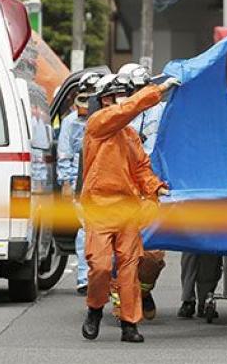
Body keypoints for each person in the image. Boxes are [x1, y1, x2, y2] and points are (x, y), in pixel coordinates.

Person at [80, 74, 180, 343]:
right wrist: (156, 90)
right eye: (119, 94)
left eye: (126, 93)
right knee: (100, 267)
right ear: (105, 100)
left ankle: (129, 323)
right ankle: (94, 309)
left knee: (128, 268)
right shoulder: (98, 124)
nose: (124, 99)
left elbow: (141, 170)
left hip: (127, 209)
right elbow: (127, 110)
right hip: (99, 208)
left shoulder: (130, 136)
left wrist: (155, 187)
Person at [117, 63, 169, 321]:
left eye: (141, 87)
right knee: (119, 253)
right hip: (119, 191)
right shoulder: (115, 114)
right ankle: (123, 309)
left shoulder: (165, 112)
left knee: (152, 256)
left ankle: (143, 291)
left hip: (151, 189)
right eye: (131, 89)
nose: (136, 93)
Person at [57, 71, 102, 295]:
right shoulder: (70, 122)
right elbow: (64, 153)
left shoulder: (109, 116)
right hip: (81, 183)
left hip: (106, 182)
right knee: (86, 230)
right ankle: (85, 278)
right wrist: (66, 182)